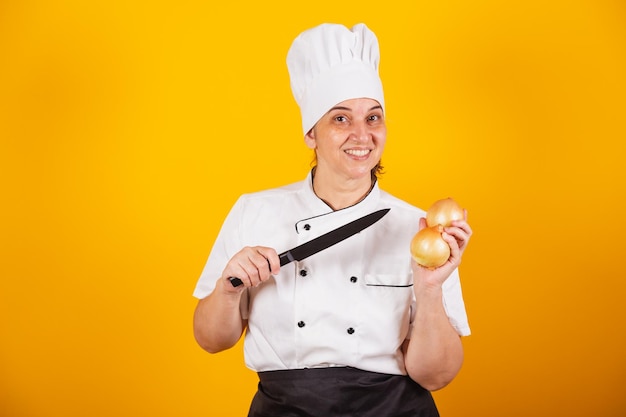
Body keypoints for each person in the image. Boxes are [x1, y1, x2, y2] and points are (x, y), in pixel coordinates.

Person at [193, 23, 472, 417]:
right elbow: (210, 340)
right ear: (311, 132)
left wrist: (429, 291)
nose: (362, 135)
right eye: (341, 119)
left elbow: (436, 376)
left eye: (373, 118)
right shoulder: (255, 211)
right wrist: (226, 290)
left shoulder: (420, 229)